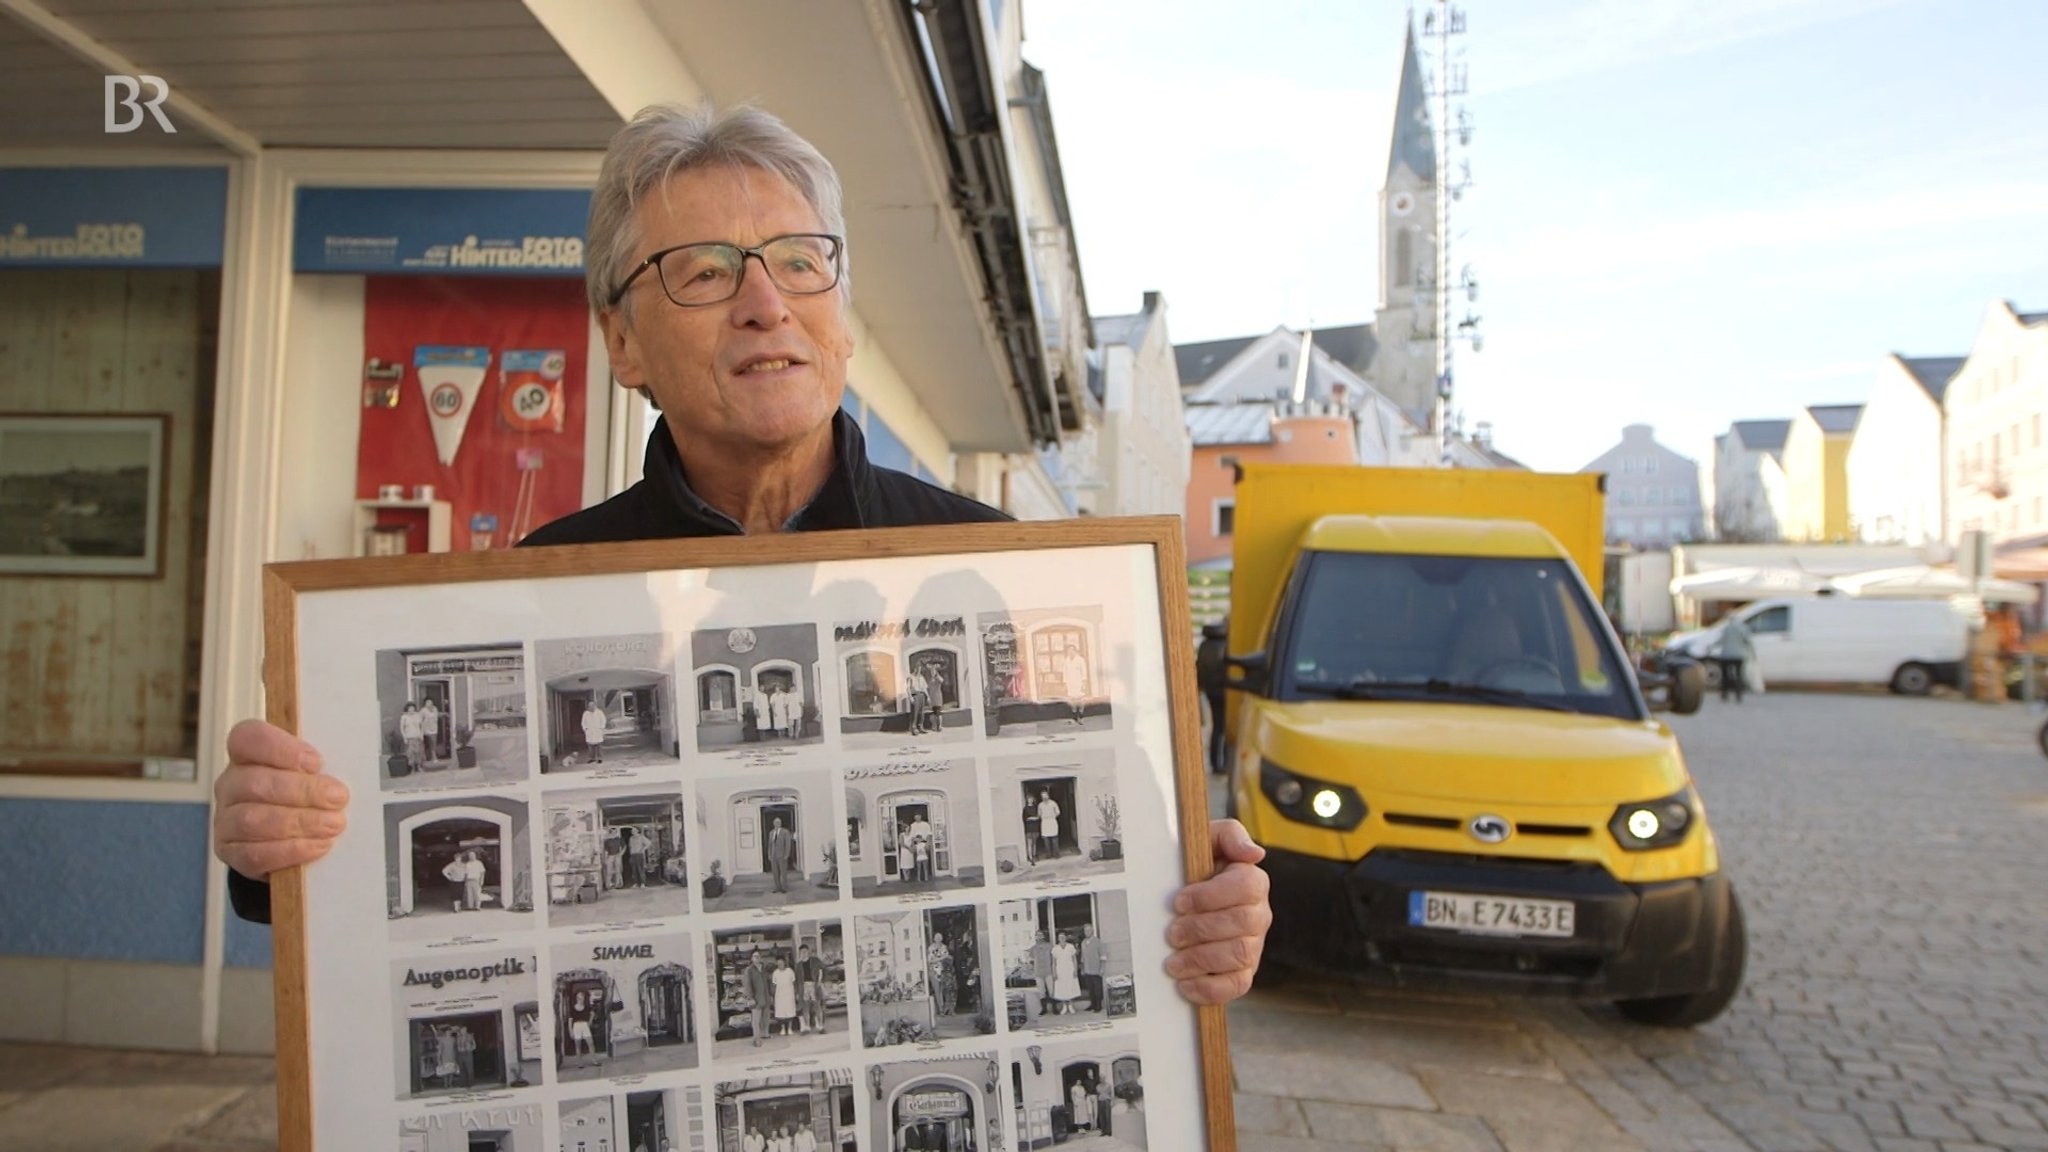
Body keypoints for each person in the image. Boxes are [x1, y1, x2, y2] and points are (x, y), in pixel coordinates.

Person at [212, 102, 1270, 1012]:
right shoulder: (527, 596)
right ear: (622, 344)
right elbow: (385, 885)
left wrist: (1206, 918)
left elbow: (1119, 844)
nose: (765, 300)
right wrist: (280, 847)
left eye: (799, 261)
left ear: (841, 316)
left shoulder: (1002, 569)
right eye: (703, 271)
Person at [1196, 620, 1229, 772]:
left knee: (1216, 727)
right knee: (1224, 728)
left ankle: (1215, 763)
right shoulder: (1226, 647)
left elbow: (1199, 669)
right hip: (1225, 692)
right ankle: (1224, 762)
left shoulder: (1204, 647)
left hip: (1210, 691)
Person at [1715, 614, 1754, 703]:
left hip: (1726, 655)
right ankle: (1738, 694)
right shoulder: (1743, 628)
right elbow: (1747, 641)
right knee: (1739, 674)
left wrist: (1710, 647)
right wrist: (1751, 653)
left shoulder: (1726, 628)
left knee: (1725, 675)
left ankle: (1724, 693)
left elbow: (1721, 641)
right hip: (1739, 655)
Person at [744, 950, 774, 1048]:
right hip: (756, 998)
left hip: (766, 997)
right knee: (756, 1020)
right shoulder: (749, 970)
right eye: (755, 956)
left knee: (765, 1018)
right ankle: (756, 1039)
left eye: (758, 956)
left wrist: (771, 995)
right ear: (751, 958)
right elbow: (747, 985)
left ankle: (765, 1033)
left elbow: (769, 983)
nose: (757, 958)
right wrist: (750, 997)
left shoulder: (764, 969)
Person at [795, 942, 826, 1034]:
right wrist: (797, 992)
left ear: (808, 951)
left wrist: (820, 982)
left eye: (805, 951)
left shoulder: (815, 960)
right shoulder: (798, 965)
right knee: (805, 1007)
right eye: (802, 952)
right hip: (803, 987)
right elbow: (797, 980)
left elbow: (822, 969)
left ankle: (821, 1027)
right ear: (800, 953)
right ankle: (807, 1027)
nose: (803, 953)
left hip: (814, 985)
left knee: (817, 1006)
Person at [1051, 931, 1082, 1013]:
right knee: (1062, 988)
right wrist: (1054, 972)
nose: (1062, 938)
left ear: (1065, 938)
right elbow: (1053, 963)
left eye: (1063, 937)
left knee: (1070, 987)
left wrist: (1075, 970)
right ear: (1058, 939)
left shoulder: (1070, 947)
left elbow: (1074, 960)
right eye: (1060, 937)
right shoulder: (1055, 949)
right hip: (1060, 971)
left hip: (1069, 969)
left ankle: (1071, 1006)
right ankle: (1064, 1006)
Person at [927, 931, 956, 1017]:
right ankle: (941, 1009)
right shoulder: (931, 948)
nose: (938, 940)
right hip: (934, 971)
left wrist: (941, 958)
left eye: (940, 938)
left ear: (942, 939)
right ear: (934, 939)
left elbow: (947, 959)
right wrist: (942, 958)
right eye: (936, 938)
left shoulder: (944, 947)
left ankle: (948, 1009)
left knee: (945, 990)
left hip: (944, 971)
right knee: (937, 990)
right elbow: (930, 960)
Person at [1079, 923, 1106, 1013]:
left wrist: (1102, 968)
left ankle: (1098, 1006)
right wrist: (1082, 968)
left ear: (1092, 931)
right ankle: (1092, 1004)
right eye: (1085, 931)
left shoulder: (1098, 941)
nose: (1087, 932)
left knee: (1097, 989)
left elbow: (1103, 956)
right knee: (1090, 989)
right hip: (1087, 969)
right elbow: (1082, 957)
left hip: (1096, 969)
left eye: (1089, 930)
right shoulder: (1083, 943)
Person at [771, 955, 798, 1036]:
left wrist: (795, 993)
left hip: (789, 994)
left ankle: (789, 1028)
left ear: (784, 963)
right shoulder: (775, 972)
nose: (780, 965)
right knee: (781, 1013)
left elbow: (794, 982)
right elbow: (774, 985)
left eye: (781, 963)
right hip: (779, 995)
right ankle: (782, 1028)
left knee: (789, 1012)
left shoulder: (790, 971)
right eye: (778, 963)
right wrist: (773, 995)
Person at [1029, 929, 1055, 1013]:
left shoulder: (1049, 946)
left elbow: (1053, 958)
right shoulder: (1033, 948)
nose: (1039, 937)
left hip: (1048, 971)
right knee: (1041, 991)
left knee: (1051, 990)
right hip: (1038, 972)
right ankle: (1044, 1009)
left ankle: (1055, 1008)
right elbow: (1031, 960)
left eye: (1041, 935)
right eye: (1037, 935)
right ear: (1035, 937)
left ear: (1043, 936)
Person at [767, 817, 793, 894]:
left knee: (783, 872)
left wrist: (786, 854)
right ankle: (777, 887)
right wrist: (769, 854)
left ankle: (784, 887)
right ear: (773, 823)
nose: (777, 824)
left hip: (782, 855)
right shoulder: (771, 833)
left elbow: (788, 844)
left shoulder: (785, 832)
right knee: (775, 872)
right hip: (773, 855)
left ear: (780, 823)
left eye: (778, 822)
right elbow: (770, 845)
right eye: (775, 822)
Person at [1035, 790, 1061, 863]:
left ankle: (1056, 854)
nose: (1044, 797)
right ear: (1041, 797)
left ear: (1048, 796)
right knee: (1046, 839)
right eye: (1043, 796)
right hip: (1045, 822)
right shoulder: (1040, 805)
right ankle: (1048, 854)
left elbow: (1058, 812)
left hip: (1052, 821)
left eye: (1045, 796)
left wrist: (1053, 816)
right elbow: (1039, 814)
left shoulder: (1053, 803)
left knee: (1054, 838)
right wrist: (1041, 816)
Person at [398, 703, 424, 775]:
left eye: (412, 708)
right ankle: (412, 768)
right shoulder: (404, 717)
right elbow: (402, 728)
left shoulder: (418, 716)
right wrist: (405, 738)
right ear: (407, 709)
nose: (411, 710)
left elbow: (421, 727)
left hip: (417, 737)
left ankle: (419, 767)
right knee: (410, 753)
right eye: (410, 708)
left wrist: (421, 735)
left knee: (418, 752)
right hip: (409, 738)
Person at [908, 812, 934, 884]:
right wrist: (913, 845)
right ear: (914, 817)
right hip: (917, 844)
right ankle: (918, 877)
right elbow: (912, 836)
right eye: (916, 816)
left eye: (918, 816)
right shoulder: (913, 825)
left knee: (925, 861)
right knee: (918, 862)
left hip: (924, 843)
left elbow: (929, 834)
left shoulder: (926, 824)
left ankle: (926, 877)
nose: (917, 817)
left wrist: (928, 844)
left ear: (921, 816)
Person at [581, 699, 608, 763]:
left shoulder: (599, 712)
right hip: (589, 732)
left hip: (597, 731)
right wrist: (585, 729)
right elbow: (583, 722)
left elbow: (603, 720)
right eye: (589, 706)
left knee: (599, 746)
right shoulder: (586, 714)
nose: (591, 707)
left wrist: (601, 728)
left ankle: (599, 758)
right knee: (591, 747)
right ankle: (592, 758)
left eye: (592, 706)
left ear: (595, 706)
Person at [419, 697, 442, 764]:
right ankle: (431, 757)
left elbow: (437, 716)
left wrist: (444, 714)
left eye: (430, 702)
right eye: (428, 702)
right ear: (425, 703)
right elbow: (419, 719)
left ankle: (433, 757)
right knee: (429, 743)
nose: (429, 703)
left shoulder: (435, 709)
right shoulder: (423, 710)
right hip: (426, 729)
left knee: (433, 743)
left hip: (434, 728)